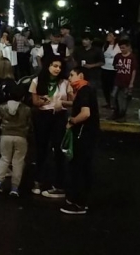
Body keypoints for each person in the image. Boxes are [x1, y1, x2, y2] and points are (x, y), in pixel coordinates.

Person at [29, 57, 73, 198]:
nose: (57, 69)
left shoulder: (65, 83)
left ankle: (59, 184)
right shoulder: (37, 81)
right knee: (41, 148)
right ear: (48, 66)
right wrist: (42, 101)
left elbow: (73, 101)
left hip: (59, 116)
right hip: (43, 116)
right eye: (54, 66)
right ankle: (38, 181)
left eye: (59, 67)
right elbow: (34, 101)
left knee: (59, 150)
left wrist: (63, 103)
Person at [61, 67, 100, 215]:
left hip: (83, 135)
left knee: (79, 167)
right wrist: (64, 103)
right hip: (87, 135)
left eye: (72, 75)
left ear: (81, 75)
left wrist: (72, 121)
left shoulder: (84, 90)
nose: (69, 78)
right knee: (80, 167)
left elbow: (85, 113)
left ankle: (79, 203)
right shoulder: (85, 90)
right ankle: (76, 198)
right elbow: (80, 105)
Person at [0, 88, 31, 197]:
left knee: (4, 158)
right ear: (22, 97)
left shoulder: (3, 107)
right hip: (21, 137)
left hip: (5, 135)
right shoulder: (27, 109)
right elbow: (30, 124)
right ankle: (14, 188)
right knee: (18, 161)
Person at [111, 39, 137, 121]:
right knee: (113, 96)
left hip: (127, 81)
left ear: (128, 47)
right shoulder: (118, 56)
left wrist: (131, 83)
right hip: (118, 80)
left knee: (124, 98)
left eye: (124, 48)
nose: (122, 50)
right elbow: (114, 66)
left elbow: (134, 70)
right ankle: (116, 112)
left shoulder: (132, 57)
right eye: (121, 48)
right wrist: (118, 67)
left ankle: (122, 114)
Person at [100, 32, 121, 108]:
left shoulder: (117, 47)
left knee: (112, 87)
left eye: (110, 35)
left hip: (113, 70)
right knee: (105, 87)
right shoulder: (105, 46)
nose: (108, 37)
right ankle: (108, 102)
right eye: (108, 35)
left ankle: (114, 103)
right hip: (104, 68)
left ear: (114, 37)